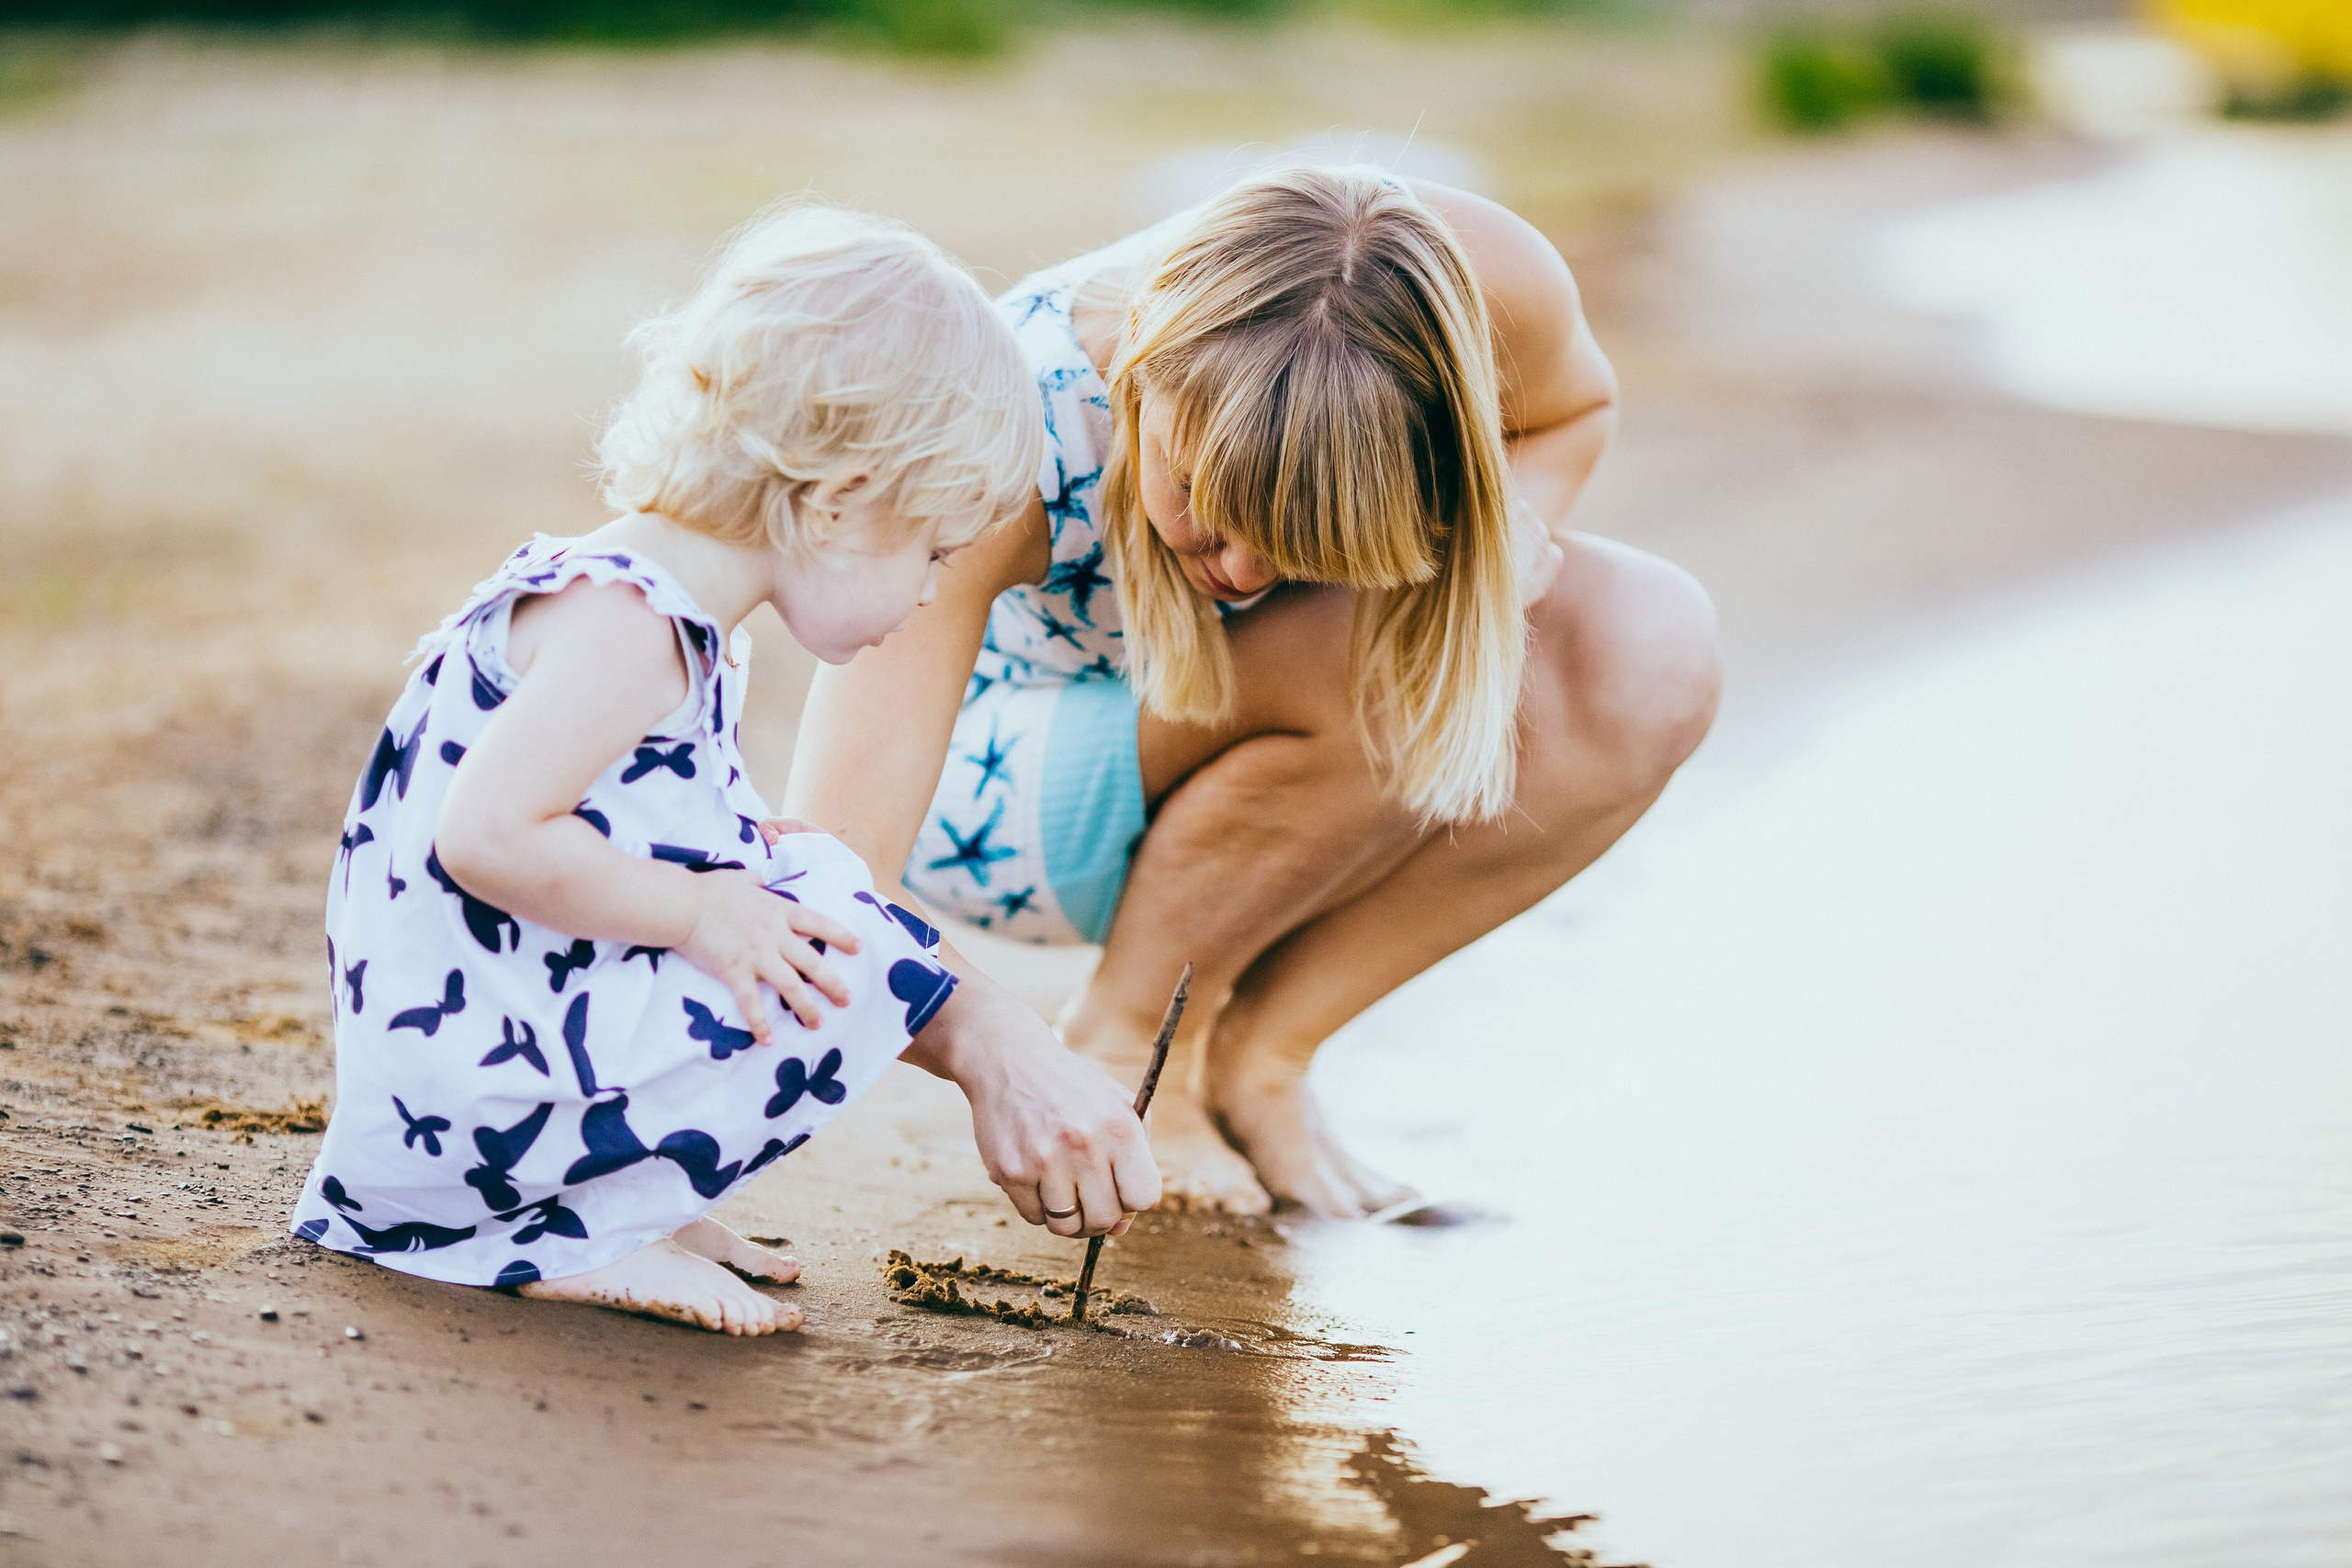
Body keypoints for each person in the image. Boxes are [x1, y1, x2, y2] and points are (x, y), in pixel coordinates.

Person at [288, 203, 1160, 1336]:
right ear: (837, 504)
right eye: (934, 552)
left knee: (808, 888)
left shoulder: (659, 606)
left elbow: (623, 823)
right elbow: (488, 837)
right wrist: (704, 911)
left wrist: (735, 871)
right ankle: (535, 1237)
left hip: (469, 1064)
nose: (939, 593)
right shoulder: (630, 626)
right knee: (829, 931)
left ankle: (606, 1200)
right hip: (461, 1098)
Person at [785, 165, 1722, 1218]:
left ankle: (1263, 1056)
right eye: (1201, 502)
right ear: (1143, 359)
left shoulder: (1485, 283)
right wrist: (993, 1045)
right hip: (1001, 794)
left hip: (1275, 751)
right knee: (1376, 637)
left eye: (1297, 541)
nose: (1237, 574)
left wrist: (1501, 551)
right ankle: (1135, 1039)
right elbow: (829, 870)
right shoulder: (994, 435)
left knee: (1650, 646)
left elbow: (1574, 408)